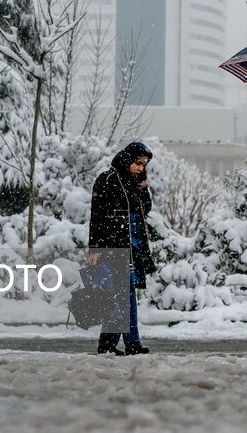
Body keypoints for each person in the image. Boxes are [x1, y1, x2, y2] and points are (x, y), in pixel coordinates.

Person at [88, 141, 157, 355]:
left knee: (118, 296)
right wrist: (95, 247)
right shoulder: (107, 180)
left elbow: (144, 210)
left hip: (133, 246)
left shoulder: (134, 183)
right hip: (113, 246)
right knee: (125, 295)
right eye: (138, 163)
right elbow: (97, 216)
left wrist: (143, 189)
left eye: (144, 165)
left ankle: (107, 345)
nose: (140, 168)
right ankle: (132, 343)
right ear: (128, 160)